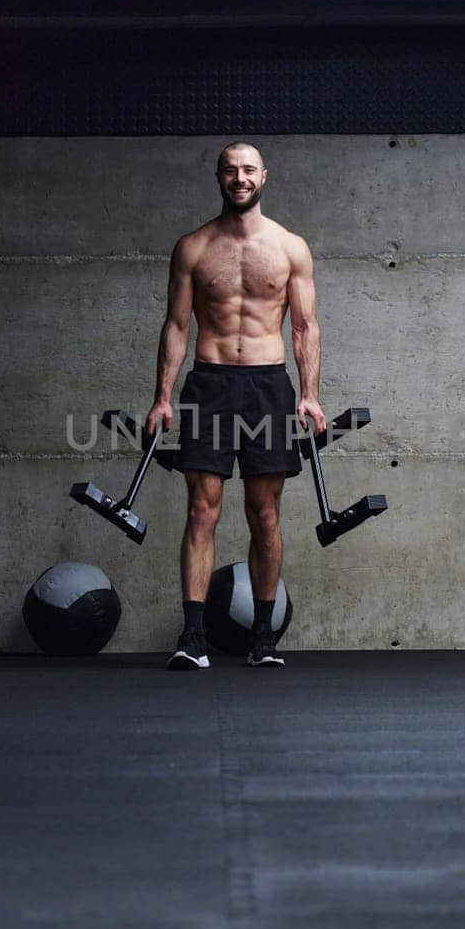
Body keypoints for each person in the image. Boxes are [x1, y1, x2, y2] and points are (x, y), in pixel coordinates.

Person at [144, 141, 326, 669]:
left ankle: (263, 639)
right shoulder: (193, 248)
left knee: (264, 514)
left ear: (264, 177)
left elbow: (304, 326)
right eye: (231, 170)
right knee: (201, 510)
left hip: (269, 387)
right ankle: (193, 638)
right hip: (210, 384)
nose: (240, 178)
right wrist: (162, 397)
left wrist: (310, 395)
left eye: (249, 170)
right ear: (219, 177)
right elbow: (177, 325)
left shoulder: (291, 247)